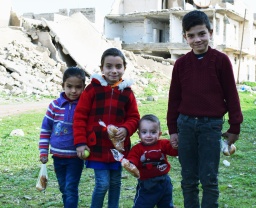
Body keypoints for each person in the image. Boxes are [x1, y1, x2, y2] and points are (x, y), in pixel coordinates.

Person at [166, 10, 243, 208]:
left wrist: (235, 126)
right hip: (186, 126)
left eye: (201, 34)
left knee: (209, 179)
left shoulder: (221, 61)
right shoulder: (181, 64)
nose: (197, 39)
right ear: (185, 37)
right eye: (191, 35)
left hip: (211, 127)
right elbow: (174, 99)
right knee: (188, 179)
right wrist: (173, 130)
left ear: (210, 32)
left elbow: (231, 94)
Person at [73, 48, 140, 208]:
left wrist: (126, 128)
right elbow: (80, 116)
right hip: (97, 147)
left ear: (124, 68)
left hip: (118, 148)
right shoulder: (92, 90)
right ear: (101, 68)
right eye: (109, 66)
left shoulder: (127, 93)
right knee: (103, 184)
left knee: (116, 182)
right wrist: (81, 143)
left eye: (118, 66)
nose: (114, 71)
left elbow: (134, 117)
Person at [39, 66, 86, 208]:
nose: (73, 91)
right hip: (57, 157)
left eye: (78, 87)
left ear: (84, 87)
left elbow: (89, 129)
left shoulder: (84, 107)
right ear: (63, 85)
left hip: (75, 158)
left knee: (71, 189)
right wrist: (43, 151)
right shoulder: (54, 106)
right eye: (69, 86)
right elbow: (45, 130)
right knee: (64, 188)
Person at [126, 114, 178, 208]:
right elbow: (132, 159)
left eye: (153, 132)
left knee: (166, 205)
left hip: (164, 182)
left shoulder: (163, 144)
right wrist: (130, 164)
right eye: (144, 132)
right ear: (139, 134)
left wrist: (176, 146)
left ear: (159, 134)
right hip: (147, 185)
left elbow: (173, 151)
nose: (148, 135)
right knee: (141, 205)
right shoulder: (137, 149)